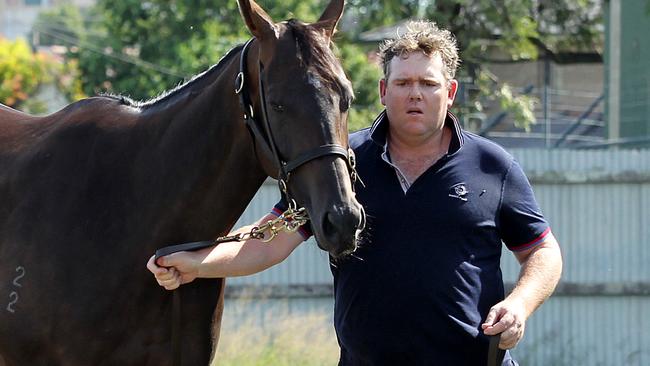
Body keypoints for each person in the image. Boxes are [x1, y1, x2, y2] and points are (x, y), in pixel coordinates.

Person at [147, 20, 562, 365]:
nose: (415, 93)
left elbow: (542, 252)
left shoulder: (493, 165)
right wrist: (196, 264)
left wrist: (520, 306)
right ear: (383, 91)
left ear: (449, 93)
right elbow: (268, 241)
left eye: (428, 83)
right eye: (403, 83)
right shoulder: (343, 163)